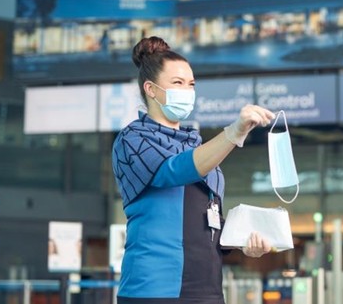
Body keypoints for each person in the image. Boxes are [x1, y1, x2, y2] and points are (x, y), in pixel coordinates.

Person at [112, 36, 275, 304]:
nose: (187, 91)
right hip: (153, 290)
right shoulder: (132, 139)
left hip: (206, 290)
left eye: (191, 84)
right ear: (150, 89)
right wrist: (233, 133)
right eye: (177, 83)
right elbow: (173, 171)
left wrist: (244, 242)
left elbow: (207, 222)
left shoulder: (197, 145)